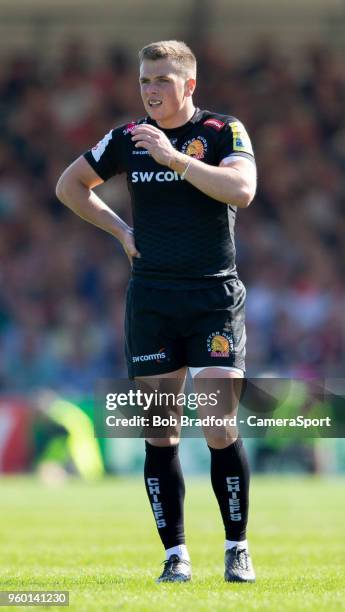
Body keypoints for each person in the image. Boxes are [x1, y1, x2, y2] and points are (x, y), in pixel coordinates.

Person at [56, 40, 257, 584]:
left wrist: (174, 159)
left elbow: (242, 189)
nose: (151, 91)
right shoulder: (125, 139)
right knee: (160, 431)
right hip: (153, 300)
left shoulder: (221, 131)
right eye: (145, 80)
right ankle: (176, 555)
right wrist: (121, 231)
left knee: (218, 420)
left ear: (189, 86)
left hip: (213, 296)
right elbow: (69, 185)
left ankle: (237, 547)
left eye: (162, 81)